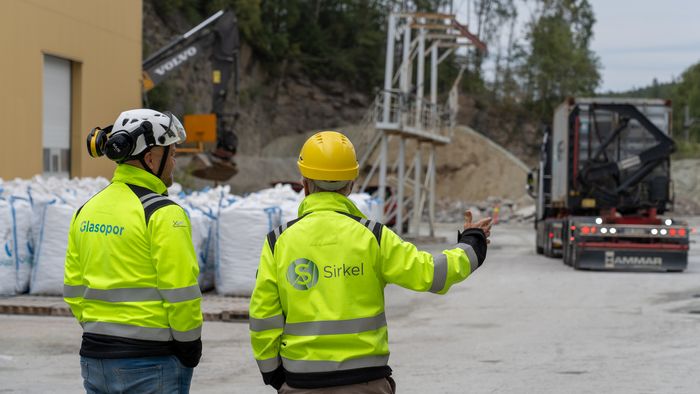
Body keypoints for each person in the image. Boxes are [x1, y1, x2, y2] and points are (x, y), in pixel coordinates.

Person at [249, 131, 492, 393]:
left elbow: (263, 317)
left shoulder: (278, 242)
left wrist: (274, 375)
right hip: (367, 382)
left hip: (302, 382)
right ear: (351, 184)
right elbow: (432, 273)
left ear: (304, 184)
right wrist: (472, 244)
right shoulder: (373, 236)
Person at [63, 109, 203, 393]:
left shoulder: (87, 209)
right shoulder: (163, 214)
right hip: (152, 361)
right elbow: (181, 291)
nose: (174, 162)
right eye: (172, 153)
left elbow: (73, 289)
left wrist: (103, 332)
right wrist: (189, 345)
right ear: (150, 158)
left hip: (94, 358)